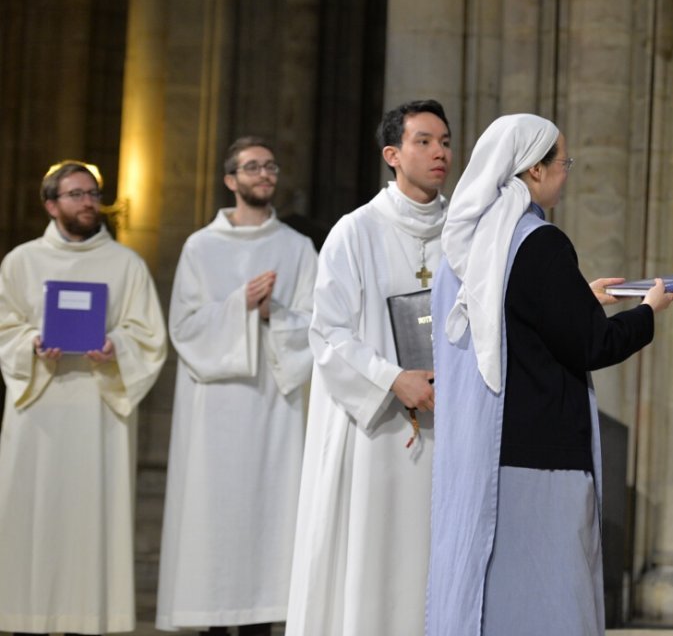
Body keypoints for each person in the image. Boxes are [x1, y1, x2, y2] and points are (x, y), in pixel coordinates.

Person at [426, 113, 673, 636]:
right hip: (544, 458)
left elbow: (515, 320)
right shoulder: (541, 242)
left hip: (487, 450)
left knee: (498, 602)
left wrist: (579, 298)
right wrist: (649, 311)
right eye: (563, 162)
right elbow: (591, 344)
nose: (566, 172)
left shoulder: (462, 246)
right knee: (550, 602)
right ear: (534, 170)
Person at [285, 100, 451, 636]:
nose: (440, 152)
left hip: (449, 426)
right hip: (375, 431)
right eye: (423, 141)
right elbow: (327, 332)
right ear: (392, 155)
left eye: (445, 141)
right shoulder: (355, 232)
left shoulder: (466, 234)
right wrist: (391, 378)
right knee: (374, 557)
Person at [156, 137, 318, 634]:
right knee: (213, 528)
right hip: (215, 415)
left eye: (271, 165)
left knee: (269, 527)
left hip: (274, 410)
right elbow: (183, 327)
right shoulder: (200, 248)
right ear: (230, 180)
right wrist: (239, 306)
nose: (264, 174)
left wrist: (273, 313)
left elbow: (319, 328)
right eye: (252, 167)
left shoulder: (297, 248)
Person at [0, 160, 167, 635]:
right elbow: (4, 326)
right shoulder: (21, 261)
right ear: (51, 205)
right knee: (33, 518)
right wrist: (31, 342)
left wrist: (119, 346)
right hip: (39, 412)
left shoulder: (126, 264)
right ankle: (25, 621)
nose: (89, 203)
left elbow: (149, 338)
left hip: (98, 412)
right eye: (76, 195)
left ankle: (85, 623)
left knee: (88, 526)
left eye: (93, 194)